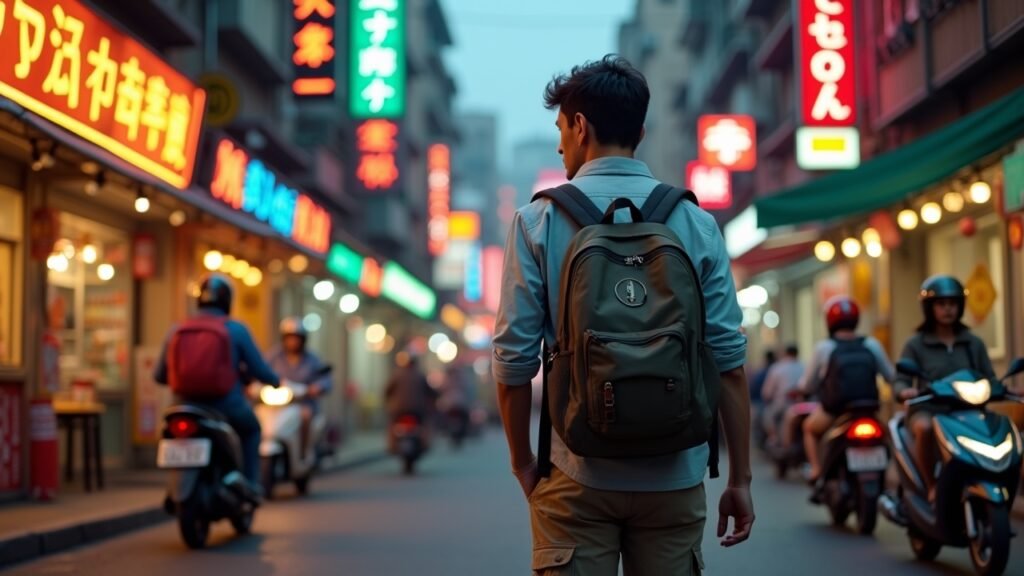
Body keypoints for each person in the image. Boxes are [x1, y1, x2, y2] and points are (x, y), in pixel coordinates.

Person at [492, 55, 754, 575]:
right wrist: (739, 480)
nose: (559, 143)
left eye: (561, 128)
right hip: (676, 476)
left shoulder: (537, 221)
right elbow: (728, 362)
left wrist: (524, 463)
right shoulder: (694, 221)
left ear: (580, 126)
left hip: (576, 471)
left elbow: (513, 362)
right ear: (640, 129)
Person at [154, 273, 279, 491]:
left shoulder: (176, 330)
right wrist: (275, 381)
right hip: (226, 405)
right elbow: (259, 369)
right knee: (252, 430)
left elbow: (159, 375)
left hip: (181, 405)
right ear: (227, 301)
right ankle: (250, 484)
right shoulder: (236, 329)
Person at [895, 275, 994, 500]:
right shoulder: (916, 344)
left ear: (960, 307)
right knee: (925, 428)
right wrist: (904, 391)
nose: (948, 309)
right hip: (929, 410)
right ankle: (931, 486)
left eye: (952, 304)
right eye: (941, 304)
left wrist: (1007, 389)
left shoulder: (973, 343)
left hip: (969, 412)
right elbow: (899, 380)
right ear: (930, 308)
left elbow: (990, 377)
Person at [800, 296, 895, 485]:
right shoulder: (871, 344)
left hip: (835, 410)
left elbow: (807, 385)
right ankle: (892, 474)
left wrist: (802, 390)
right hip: (869, 409)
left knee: (809, 428)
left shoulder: (824, 347)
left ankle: (817, 469)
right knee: (890, 436)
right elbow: (891, 376)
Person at [266, 317, 332, 456]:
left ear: (303, 340)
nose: (293, 341)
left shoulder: (312, 359)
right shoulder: (274, 356)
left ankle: (303, 453)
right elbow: (261, 369)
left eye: (296, 338)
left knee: (305, 415)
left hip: (302, 403)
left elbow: (325, 378)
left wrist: (317, 387)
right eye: (289, 338)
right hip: (277, 404)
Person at [760, 345, 803, 446]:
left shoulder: (777, 368)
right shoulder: (803, 366)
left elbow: (766, 393)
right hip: (799, 404)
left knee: (767, 415)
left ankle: (773, 437)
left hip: (782, 404)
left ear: (785, 353)